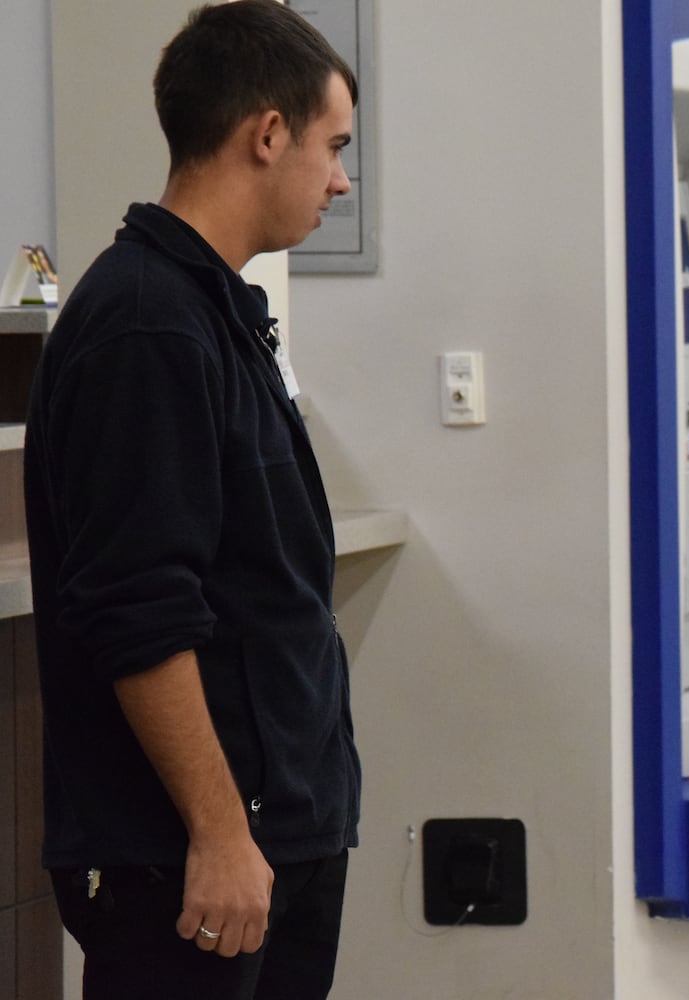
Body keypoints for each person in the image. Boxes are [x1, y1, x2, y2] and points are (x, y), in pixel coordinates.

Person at [22, 3, 360, 997]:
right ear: (266, 133)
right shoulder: (146, 329)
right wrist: (219, 831)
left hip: (276, 841)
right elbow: (141, 612)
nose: (342, 179)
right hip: (191, 865)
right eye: (333, 145)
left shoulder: (216, 312)